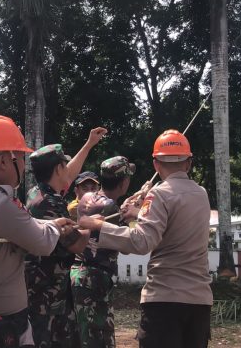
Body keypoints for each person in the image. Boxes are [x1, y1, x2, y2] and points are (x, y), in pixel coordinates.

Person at [0, 115, 87, 348]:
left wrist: (51, 224)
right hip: (0, 327)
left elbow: (28, 227)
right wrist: (60, 227)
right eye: (21, 157)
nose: (23, 165)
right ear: (4, 160)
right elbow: (41, 242)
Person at [79, 130, 213, 348]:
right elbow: (174, 226)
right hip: (199, 301)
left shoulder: (159, 194)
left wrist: (100, 226)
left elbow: (142, 242)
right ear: (188, 163)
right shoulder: (202, 194)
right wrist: (139, 214)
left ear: (156, 164)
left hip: (165, 300)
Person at [25, 132, 106, 348]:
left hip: (42, 289)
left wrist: (89, 144)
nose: (67, 170)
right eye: (64, 165)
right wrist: (90, 223)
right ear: (58, 169)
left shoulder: (37, 193)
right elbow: (77, 244)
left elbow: (70, 174)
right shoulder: (50, 203)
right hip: (49, 295)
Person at [71, 156, 136, 348]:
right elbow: (125, 248)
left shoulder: (87, 198)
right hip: (96, 278)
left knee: (84, 335)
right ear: (124, 182)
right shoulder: (111, 207)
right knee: (99, 339)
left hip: (79, 272)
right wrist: (133, 216)